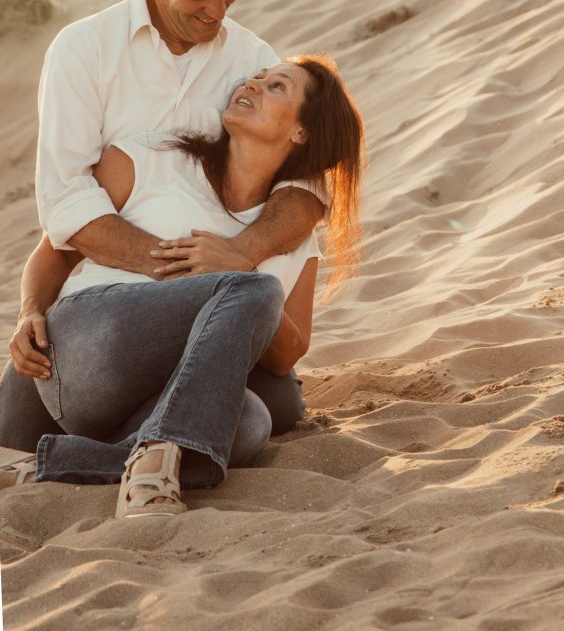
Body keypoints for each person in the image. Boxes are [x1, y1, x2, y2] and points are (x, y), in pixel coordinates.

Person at [0, 0, 326, 451]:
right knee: (15, 427)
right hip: (110, 308)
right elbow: (68, 207)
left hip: (208, 320)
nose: (217, 10)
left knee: (271, 410)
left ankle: (116, 452)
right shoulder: (84, 51)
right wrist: (187, 273)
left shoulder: (250, 59)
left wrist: (242, 256)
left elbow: (304, 181)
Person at [0, 55, 363, 518]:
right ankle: (154, 455)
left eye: (276, 87)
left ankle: (69, 462)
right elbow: (55, 247)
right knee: (254, 290)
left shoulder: (294, 238)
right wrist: (30, 308)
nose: (252, 84)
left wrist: (237, 276)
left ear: (301, 132)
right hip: (87, 347)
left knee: (251, 420)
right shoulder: (150, 158)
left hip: (157, 393)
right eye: (257, 77)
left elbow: (287, 354)